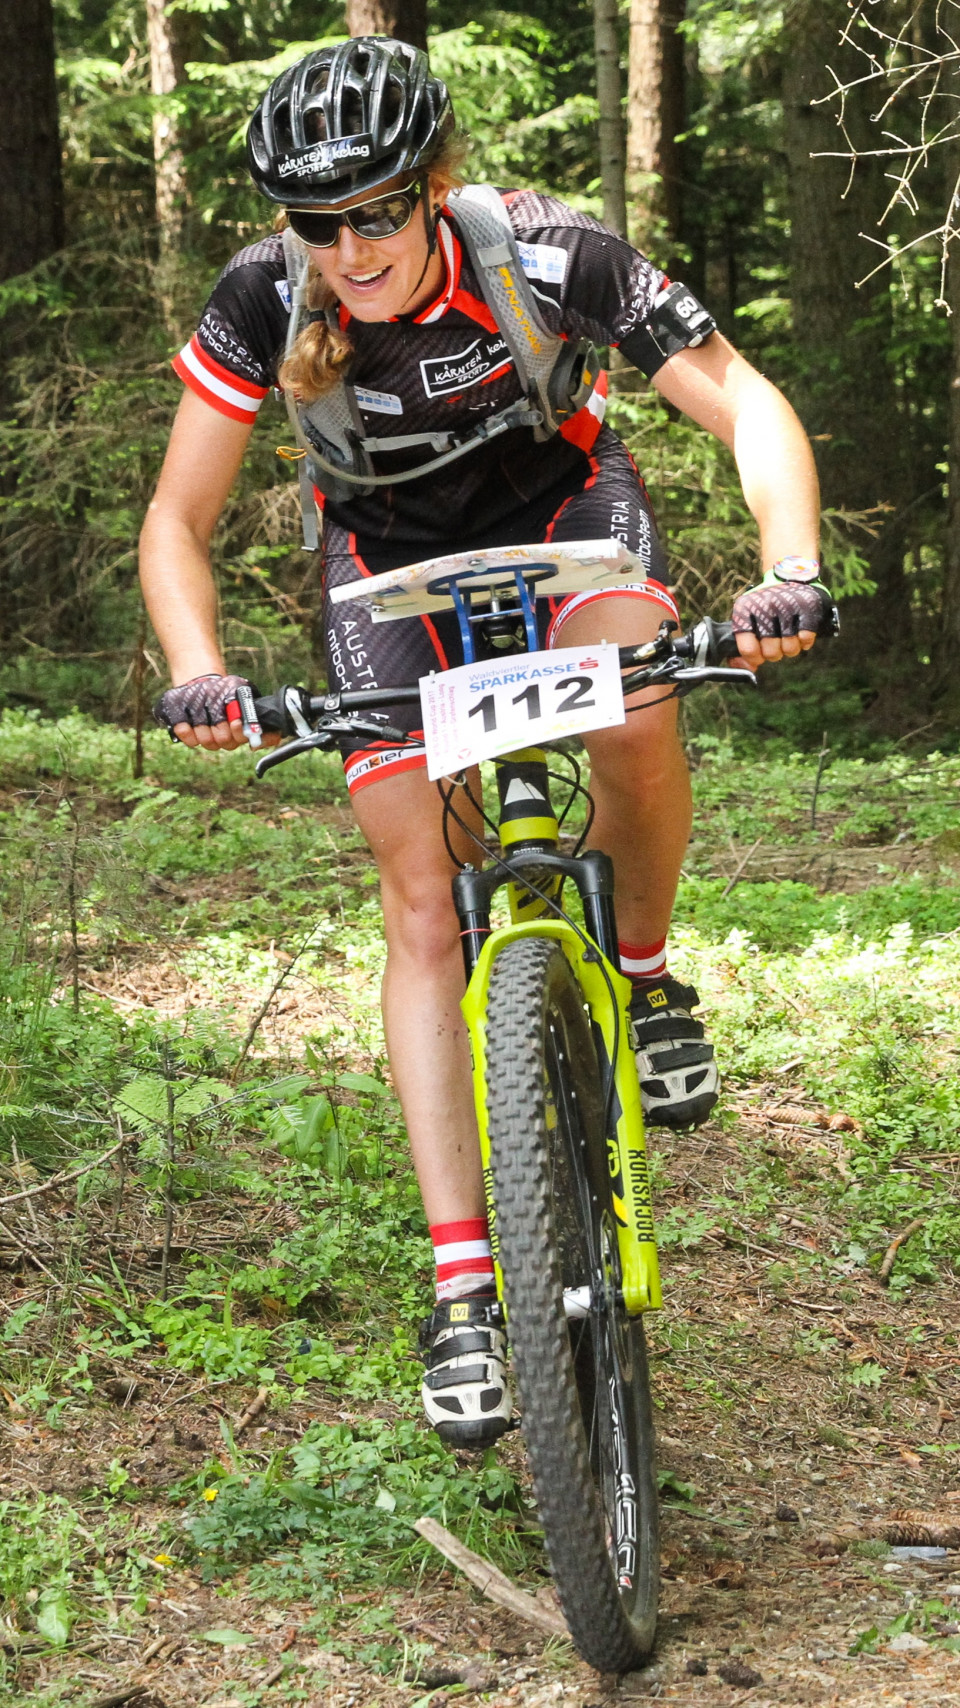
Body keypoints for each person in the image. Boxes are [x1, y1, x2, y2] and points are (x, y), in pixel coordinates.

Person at [140, 35, 831, 1447]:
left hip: (566, 518)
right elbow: (177, 520)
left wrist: (793, 569)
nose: (350, 249)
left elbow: (745, 399)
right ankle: (465, 1287)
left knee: (635, 692)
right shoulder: (266, 296)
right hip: (388, 568)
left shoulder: (549, 251)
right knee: (418, 897)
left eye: (377, 213)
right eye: (318, 221)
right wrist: (199, 673)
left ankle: (642, 974)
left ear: (431, 184)